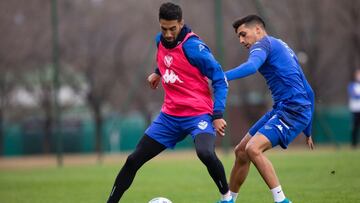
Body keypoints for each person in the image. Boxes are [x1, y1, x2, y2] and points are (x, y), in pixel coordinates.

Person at [106, 2, 234, 203]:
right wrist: (158, 73)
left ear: (181, 23)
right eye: (163, 28)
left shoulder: (194, 47)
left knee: (205, 153)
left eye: (172, 28)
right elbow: (167, 59)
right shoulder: (160, 41)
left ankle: (227, 197)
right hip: (170, 116)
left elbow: (220, 79)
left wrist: (217, 115)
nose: (167, 33)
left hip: (198, 113)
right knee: (132, 160)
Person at [224, 15, 315, 203]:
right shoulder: (282, 46)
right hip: (286, 108)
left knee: (253, 149)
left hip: (293, 109)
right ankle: (228, 200)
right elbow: (309, 90)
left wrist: (221, 77)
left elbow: (251, 67)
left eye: (243, 34)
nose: (241, 40)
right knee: (241, 150)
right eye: (238, 37)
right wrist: (308, 130)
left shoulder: (262, 44)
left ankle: (282, 200)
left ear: (258, 29)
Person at [348, 69, 360, 148]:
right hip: (355, 109)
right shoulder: (352, 85)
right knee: (354, 127)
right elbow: (353, 95)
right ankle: (353, 144)